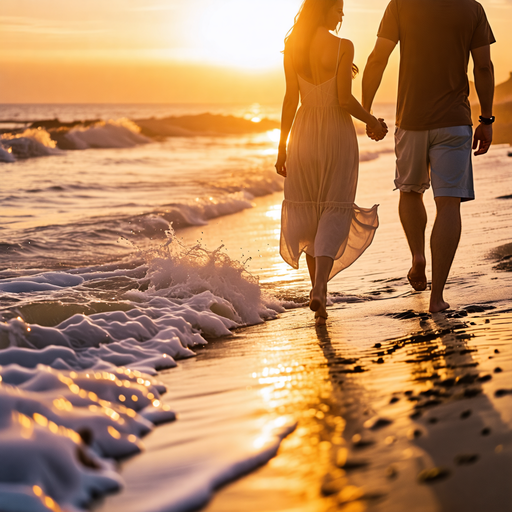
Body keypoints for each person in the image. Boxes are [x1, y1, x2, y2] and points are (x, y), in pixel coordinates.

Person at [362, 0, 495, 313]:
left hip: (412, 120)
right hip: (455, 121)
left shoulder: (400, 6)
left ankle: (417, 256)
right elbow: (484, 67)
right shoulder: (472, 9)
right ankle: (437, 297)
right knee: (448, 202)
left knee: (410, 191)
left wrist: (367, 112)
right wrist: (486, 119)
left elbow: (377, 58)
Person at [275, 0, 388, 325]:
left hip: (304, 133)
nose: (341, 15)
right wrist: (373, 122)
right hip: (336, 135)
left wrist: (282, 149)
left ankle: (317, 294)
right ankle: (321, 287)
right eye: (338, 8)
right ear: (324, 10)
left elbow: (289, 98)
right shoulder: (342, 46)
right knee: (333, 207)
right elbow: (342, 98)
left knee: (310, 211)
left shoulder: (293, 45)